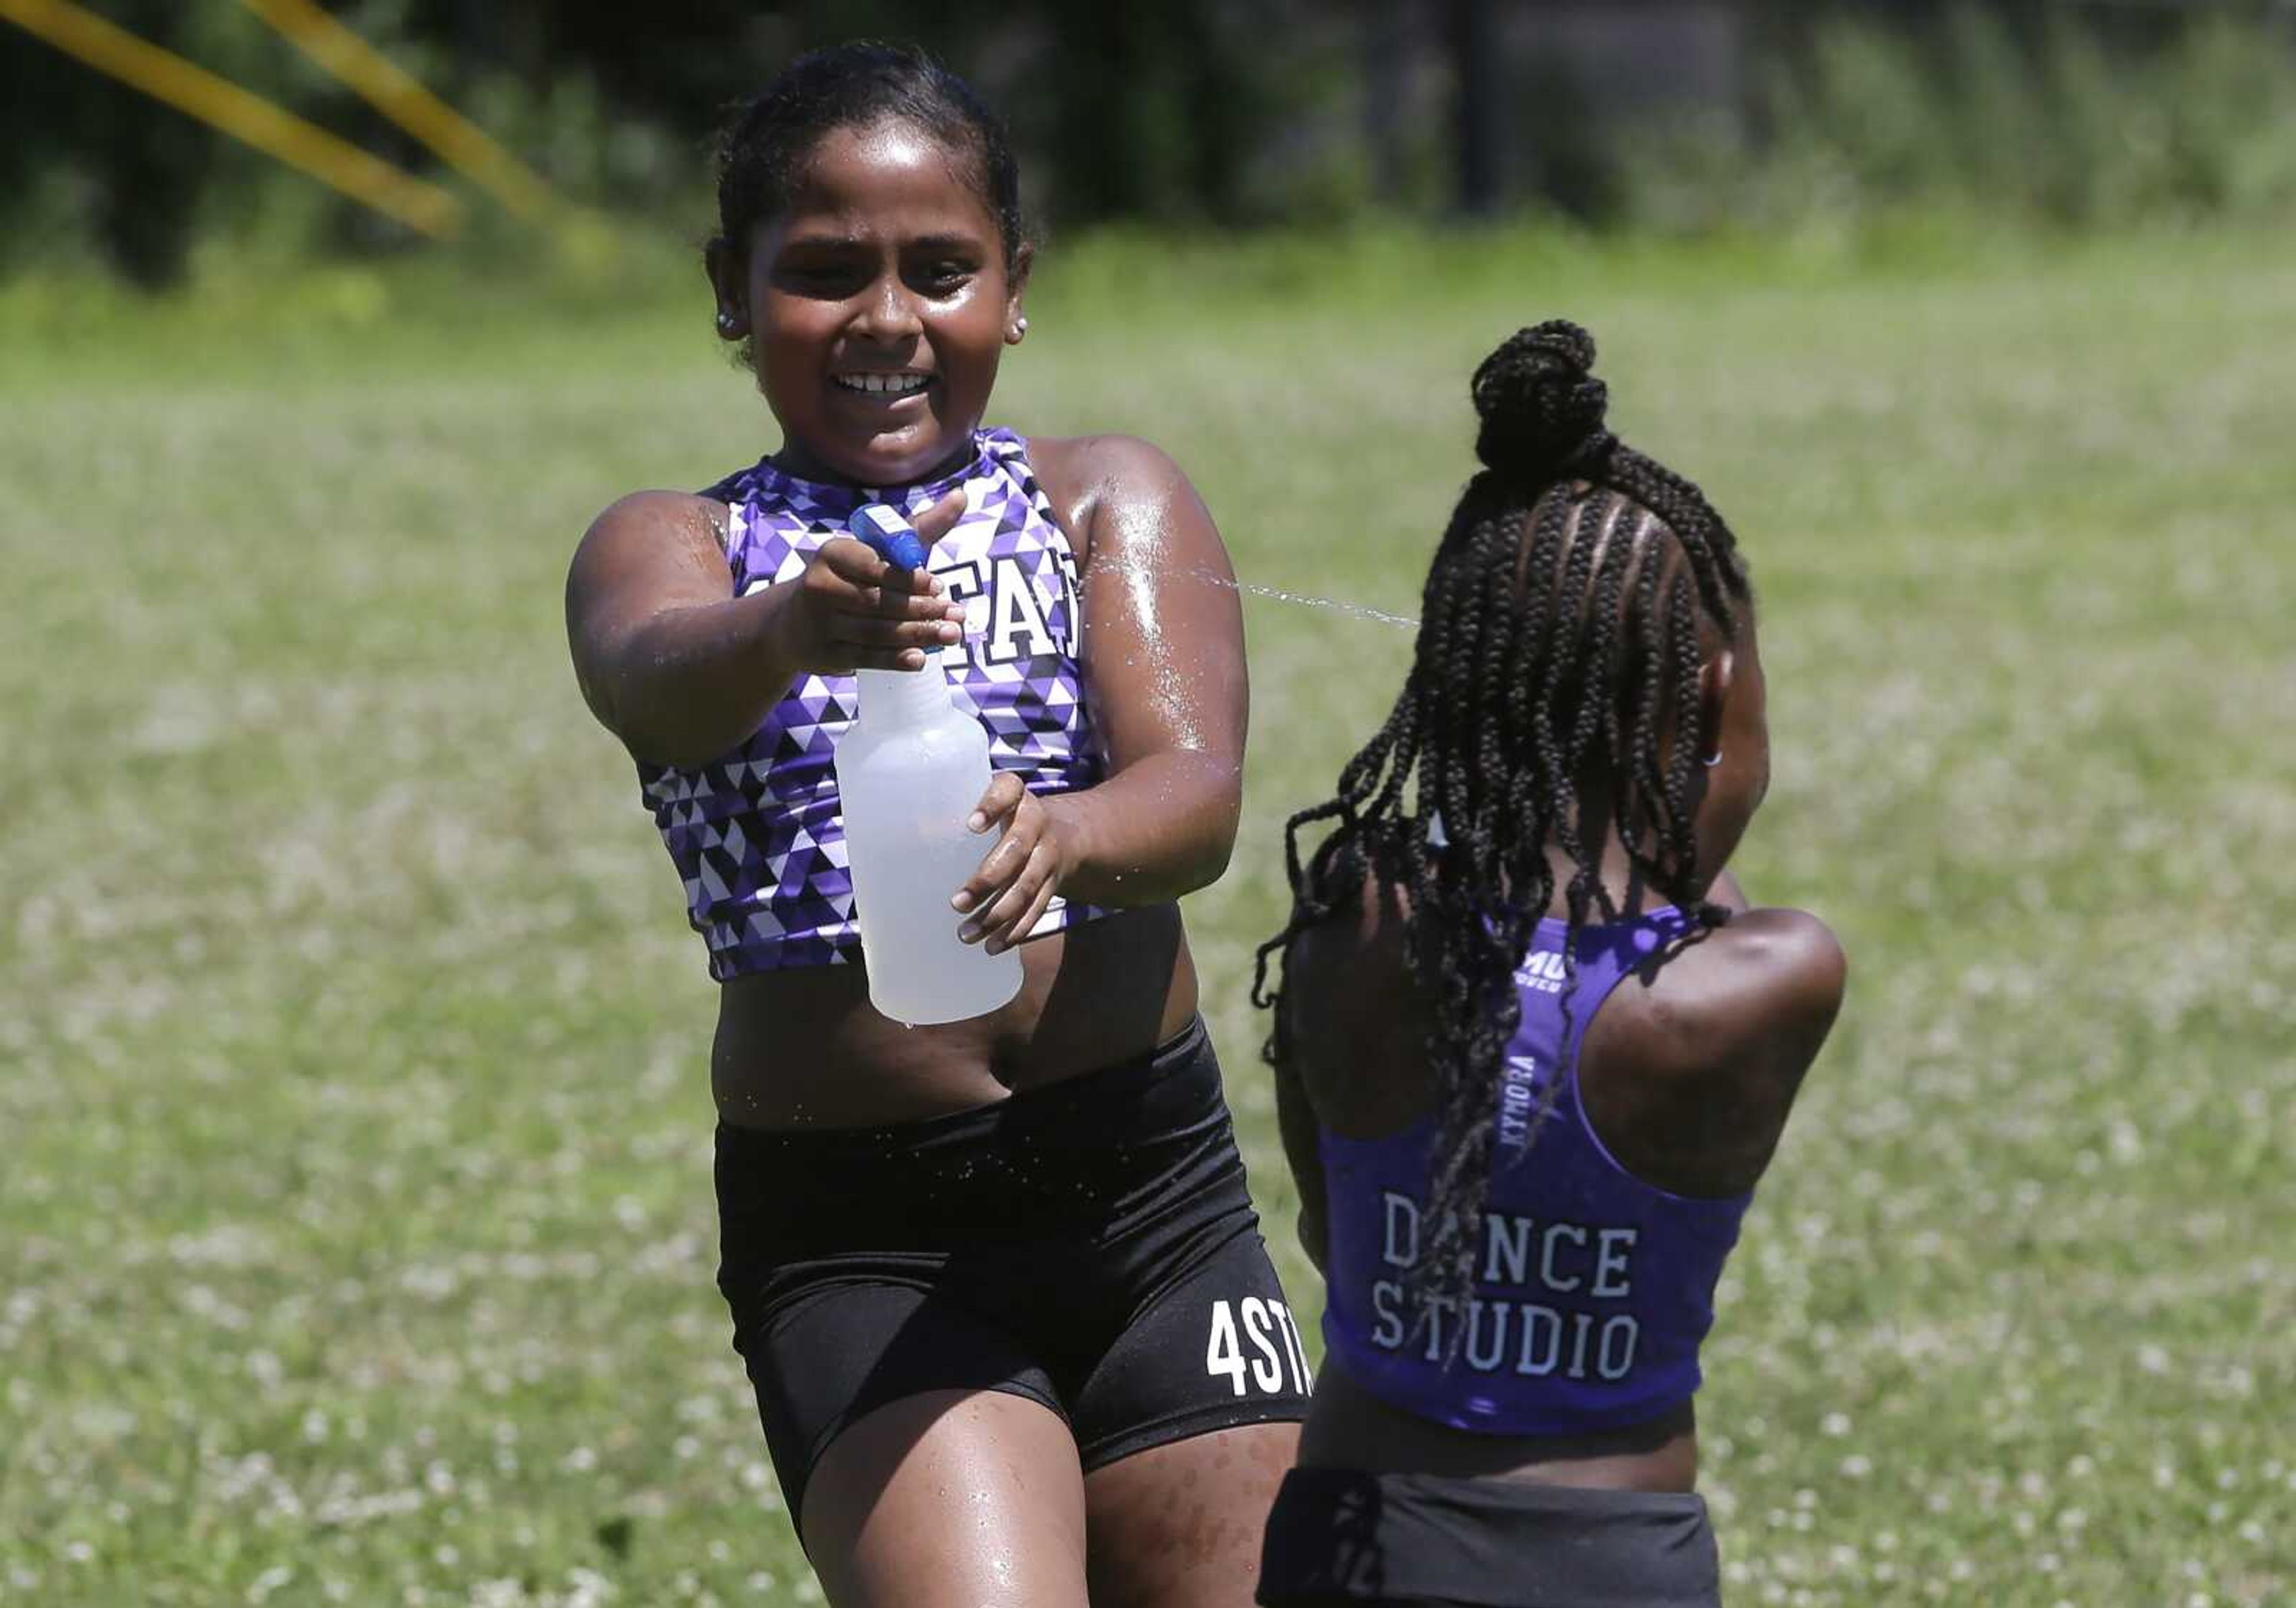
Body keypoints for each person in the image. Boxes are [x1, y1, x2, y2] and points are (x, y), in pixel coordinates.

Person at [563, 42, 1309, 1608]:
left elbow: (1195, 794)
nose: (888, 319)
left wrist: (1072, 838)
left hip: (1151, 1203)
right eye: (825, 273)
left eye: (941, 270)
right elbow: (653, 680)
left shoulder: (1104, 496)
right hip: (867, 1241)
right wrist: (784, 634)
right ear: (733, 287)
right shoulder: (680, 546)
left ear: (1014, 286)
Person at [1248, 321, 1847, 1607]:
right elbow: (1691, 883)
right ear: (1712, 697)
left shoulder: (1351, 914)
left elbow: (1325, 1224)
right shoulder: (1769, 978)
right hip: (1610, 1562)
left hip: (1351, 1541)